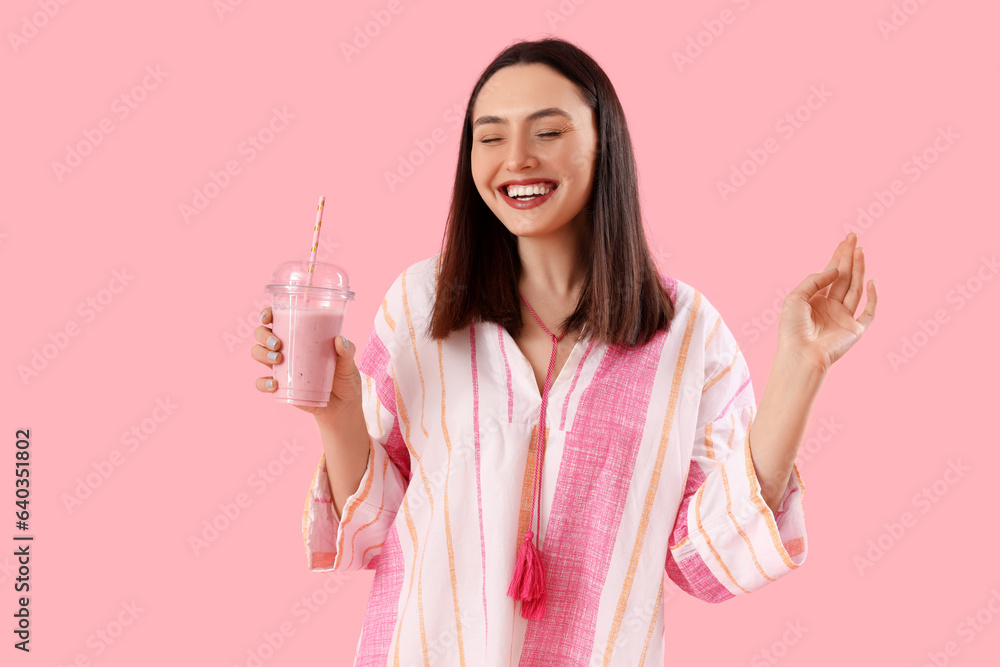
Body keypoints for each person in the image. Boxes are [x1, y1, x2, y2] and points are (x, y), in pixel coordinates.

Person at [251, 37, 877, 666]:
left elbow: (710, 561)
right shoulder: (420, 306)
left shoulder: (688, 333)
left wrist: (801, 367)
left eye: (547, 132)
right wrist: (336, 412)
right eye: (490, 137)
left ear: (607, 144)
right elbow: (373, 531)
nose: (516, 160)